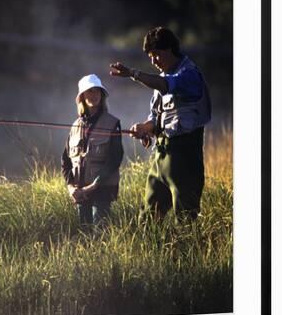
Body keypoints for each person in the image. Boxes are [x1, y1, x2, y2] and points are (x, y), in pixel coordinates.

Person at [110, 27, 211, 221]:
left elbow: (168, 86)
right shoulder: (161, 79)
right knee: (148, 217)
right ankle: (150, 251)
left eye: (156, 54)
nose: (153, 61)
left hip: (185, 156)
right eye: (150, 56)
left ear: (170, 49)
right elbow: (156, 119)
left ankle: (186, 251)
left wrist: (132, 73)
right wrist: (144, 128)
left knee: (186, 218)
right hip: (161, 156)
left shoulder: (189, 75)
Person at [61, 74, 124, 229]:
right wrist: (71, 188)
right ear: (82, 96)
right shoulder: (75, 126)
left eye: (97, 91)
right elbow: (65, 161)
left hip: (102, 191)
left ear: (102, 95)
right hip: (80, 192)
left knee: (100, 235)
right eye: (89, 91)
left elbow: (115, 159)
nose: (94, 95)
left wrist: (92, 187)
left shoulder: (112, 123)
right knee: (84, 235)